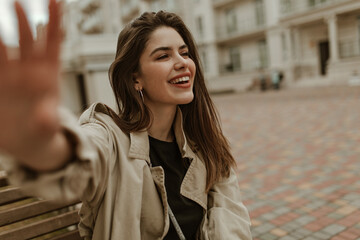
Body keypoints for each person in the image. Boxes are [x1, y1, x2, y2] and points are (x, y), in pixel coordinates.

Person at [0, 0, 252, 239]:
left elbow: (231, 220)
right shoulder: (109, 137)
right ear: (135, 79)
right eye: (163, 56)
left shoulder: (205, 141)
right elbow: (77, 157)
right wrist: (40, 143)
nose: (182, 63)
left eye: (184, 53)